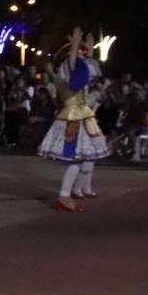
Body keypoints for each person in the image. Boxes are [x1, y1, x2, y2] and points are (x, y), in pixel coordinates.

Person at [37, 28, 110, 211]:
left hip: (79, 116)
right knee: (75, 161)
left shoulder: (70, 75)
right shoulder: (68, 74)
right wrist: (75, 44)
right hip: (74, 119)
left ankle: (70, 193)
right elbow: (75, 64)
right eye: (77, 53)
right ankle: (64, 196)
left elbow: (86, 68)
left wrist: (89, 49)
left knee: (79, 161)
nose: (80, 56)